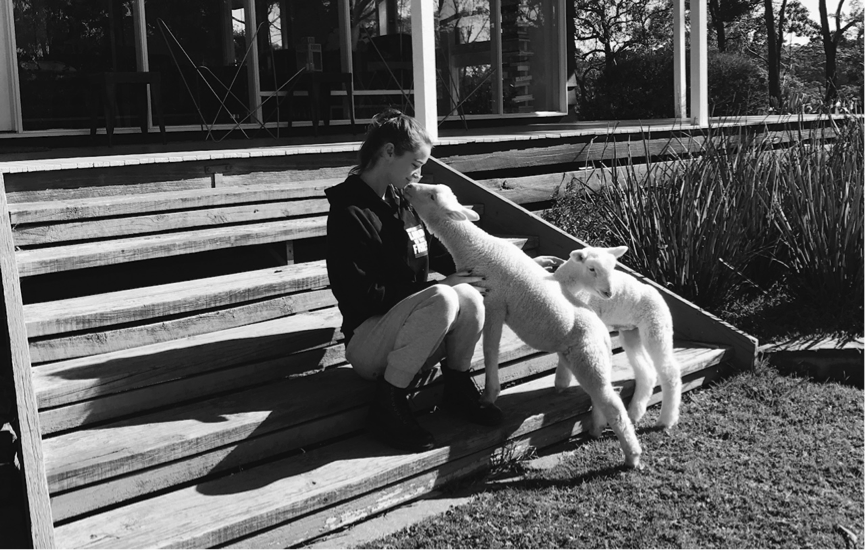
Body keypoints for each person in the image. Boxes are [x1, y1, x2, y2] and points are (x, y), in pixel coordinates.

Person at [325, 108, 502, 453]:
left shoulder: (400, 202)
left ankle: (457, 386)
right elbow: (364, 297)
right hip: (367, 341)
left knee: (469, 295)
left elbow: (439, 254)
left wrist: (502, 269)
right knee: (446, 296)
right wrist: (437, 288)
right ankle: (387, 407)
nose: (418, 174)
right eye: (415, 164)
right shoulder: (349, 213)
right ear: (389, 152)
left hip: (409, 331)